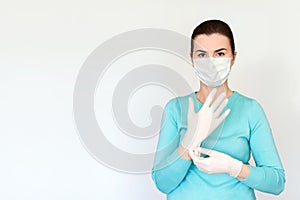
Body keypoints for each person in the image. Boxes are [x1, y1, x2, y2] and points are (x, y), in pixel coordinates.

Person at [152, 19, 285, 200]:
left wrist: (235, 168)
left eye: (220, 53)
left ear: (233, 58)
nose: (211, 62)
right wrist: (192, 139)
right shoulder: (176, 109)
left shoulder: (250, 110)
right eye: (202, 55)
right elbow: (163, 183)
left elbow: (277, 183)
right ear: (192, 59)